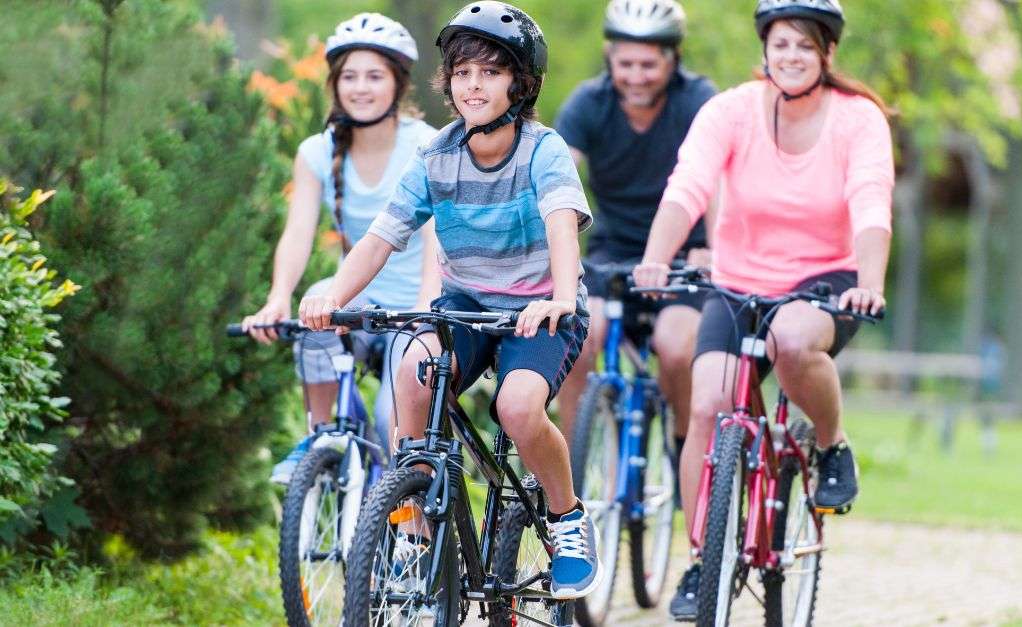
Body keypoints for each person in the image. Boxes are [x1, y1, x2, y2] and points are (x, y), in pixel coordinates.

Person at [298, 1, 602, 600]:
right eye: (462, 72)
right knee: (411, 370)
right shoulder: (437, 155)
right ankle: (412, 520)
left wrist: (562, 297)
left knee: (517, 407)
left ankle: (567, 520)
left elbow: (562, 223)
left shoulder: (543, 150)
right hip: (465, 302)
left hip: (540, 308)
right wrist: (332, 295)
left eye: (489, 72)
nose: (472, 85)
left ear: (521, 82)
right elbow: (381, 238)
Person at [632, 0, 894, 619]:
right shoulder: (730, 110)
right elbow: (689, 184)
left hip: (825, 281)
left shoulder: (859, 120)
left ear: (827, 53)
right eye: (781, 44)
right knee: (706, 406)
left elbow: (871, 204)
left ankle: (830, 445)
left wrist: (871, 280)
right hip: (737, 282)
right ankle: (704, 558)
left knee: (795, 342)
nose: (792, 56)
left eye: (805, 45)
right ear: (766, 49)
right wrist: (655, 257)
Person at [241, 13, 440, 485]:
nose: (361, 88)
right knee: (317, 307)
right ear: (334, 84)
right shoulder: (316, 151)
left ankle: (412, 542)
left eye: (374, 76)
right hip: (363, 297)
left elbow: (439, 239)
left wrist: (426, 309)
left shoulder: (428, 145)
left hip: (420, 305)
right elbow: (298, 232)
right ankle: (324, 434)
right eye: (349, 76)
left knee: (400, 427)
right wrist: (277, 298)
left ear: (398, 84)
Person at [553, 0, 717, 454]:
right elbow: (559, 175)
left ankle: (683, 446)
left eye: (649, 64)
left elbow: (722, 181)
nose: (636, 76)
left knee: (676, 347)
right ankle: (574, 460)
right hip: (614, 250)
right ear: (610, 56)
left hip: (689, 254)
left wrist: (715, 247)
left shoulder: (700, 102)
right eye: (626, 63)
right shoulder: (589, 103)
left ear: (672, 59)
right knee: (581, 338)